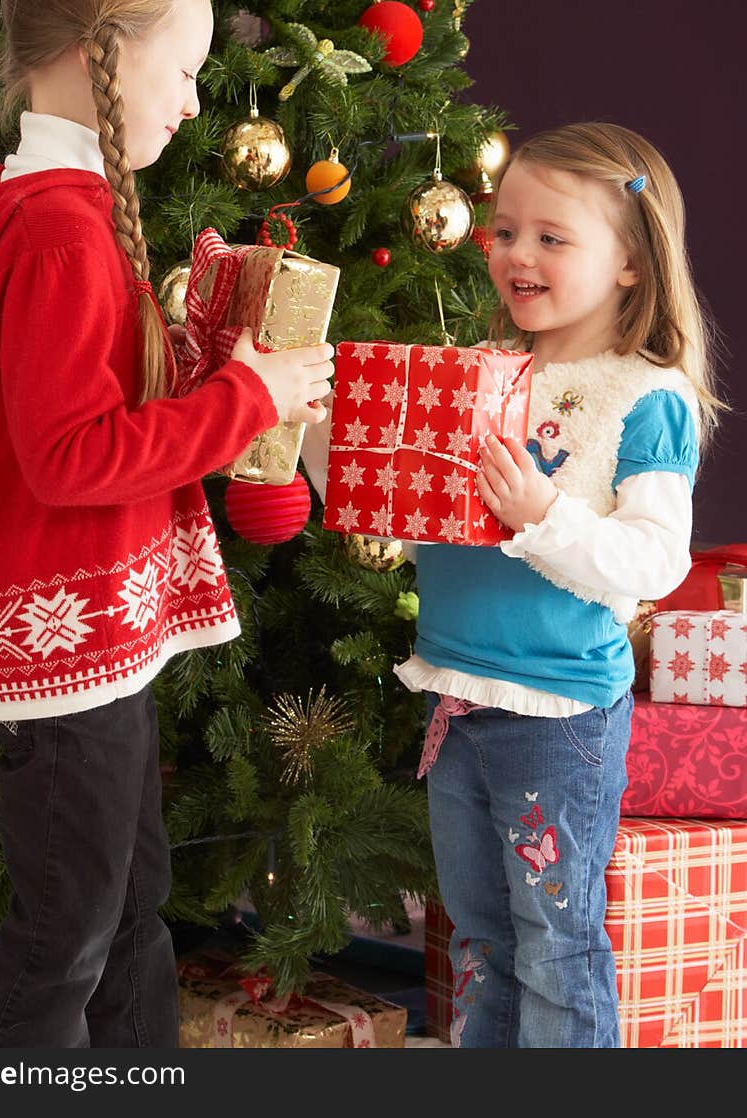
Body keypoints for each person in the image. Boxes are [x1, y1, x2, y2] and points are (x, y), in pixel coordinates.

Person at [0, 0, 334, 1049]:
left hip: (74, 621)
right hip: (63, 625)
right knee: (73, 925)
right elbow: (73, 455)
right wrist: (253, 398)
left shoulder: (38, 205)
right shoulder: (61, 230)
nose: (191, 101)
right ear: (106, 50)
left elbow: (62, 396)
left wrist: (189, 348)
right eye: (180, 68)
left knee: (128, 904)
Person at [302, 121, 724, 1048]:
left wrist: (543, 515)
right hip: (457, 699)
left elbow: (655, 561)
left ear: (631, 265)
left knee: (556, 946)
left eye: (550, 236)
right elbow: (413, 529)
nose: (514, 253)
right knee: (485, 939)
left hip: (559, 717)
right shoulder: (485, 378)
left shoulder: (643, 396)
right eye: (503, 231)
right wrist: (321, 434)